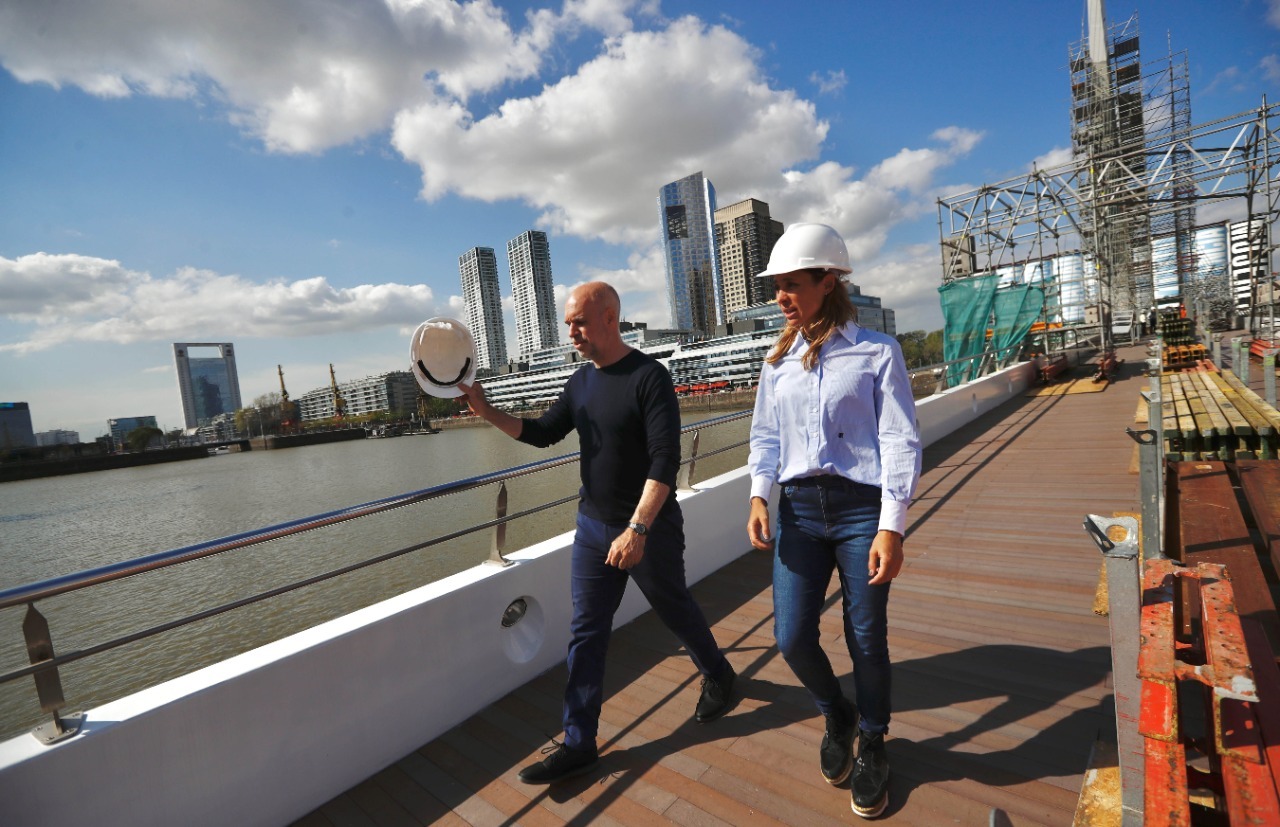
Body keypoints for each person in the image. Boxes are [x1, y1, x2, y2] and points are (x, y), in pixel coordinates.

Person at [459, 281, 736, 784]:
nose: (571, 332)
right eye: (568, 323)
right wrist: (486, 412)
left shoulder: (650, 378)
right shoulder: (580, 384)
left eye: (579, 322)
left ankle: (719, 673)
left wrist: (637, 529)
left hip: (645, 529)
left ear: (610, 317)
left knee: (675, 609)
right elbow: (543, 433)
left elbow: (665, 461)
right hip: (592, 528)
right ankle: (578, 742)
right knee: (586, 633)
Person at [746, 223, 921, 819]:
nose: (781, 297)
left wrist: (891, 526)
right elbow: (766, 435)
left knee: (865, 636)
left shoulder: (878, 352)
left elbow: (900, 438)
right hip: (797, 510)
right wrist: (758, 495)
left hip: (859, 511)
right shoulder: (778, 363)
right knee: (791, 636)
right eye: (778, 287)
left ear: (829, 281)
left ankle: (872, 738)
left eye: (792, 284)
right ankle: (836, 712)